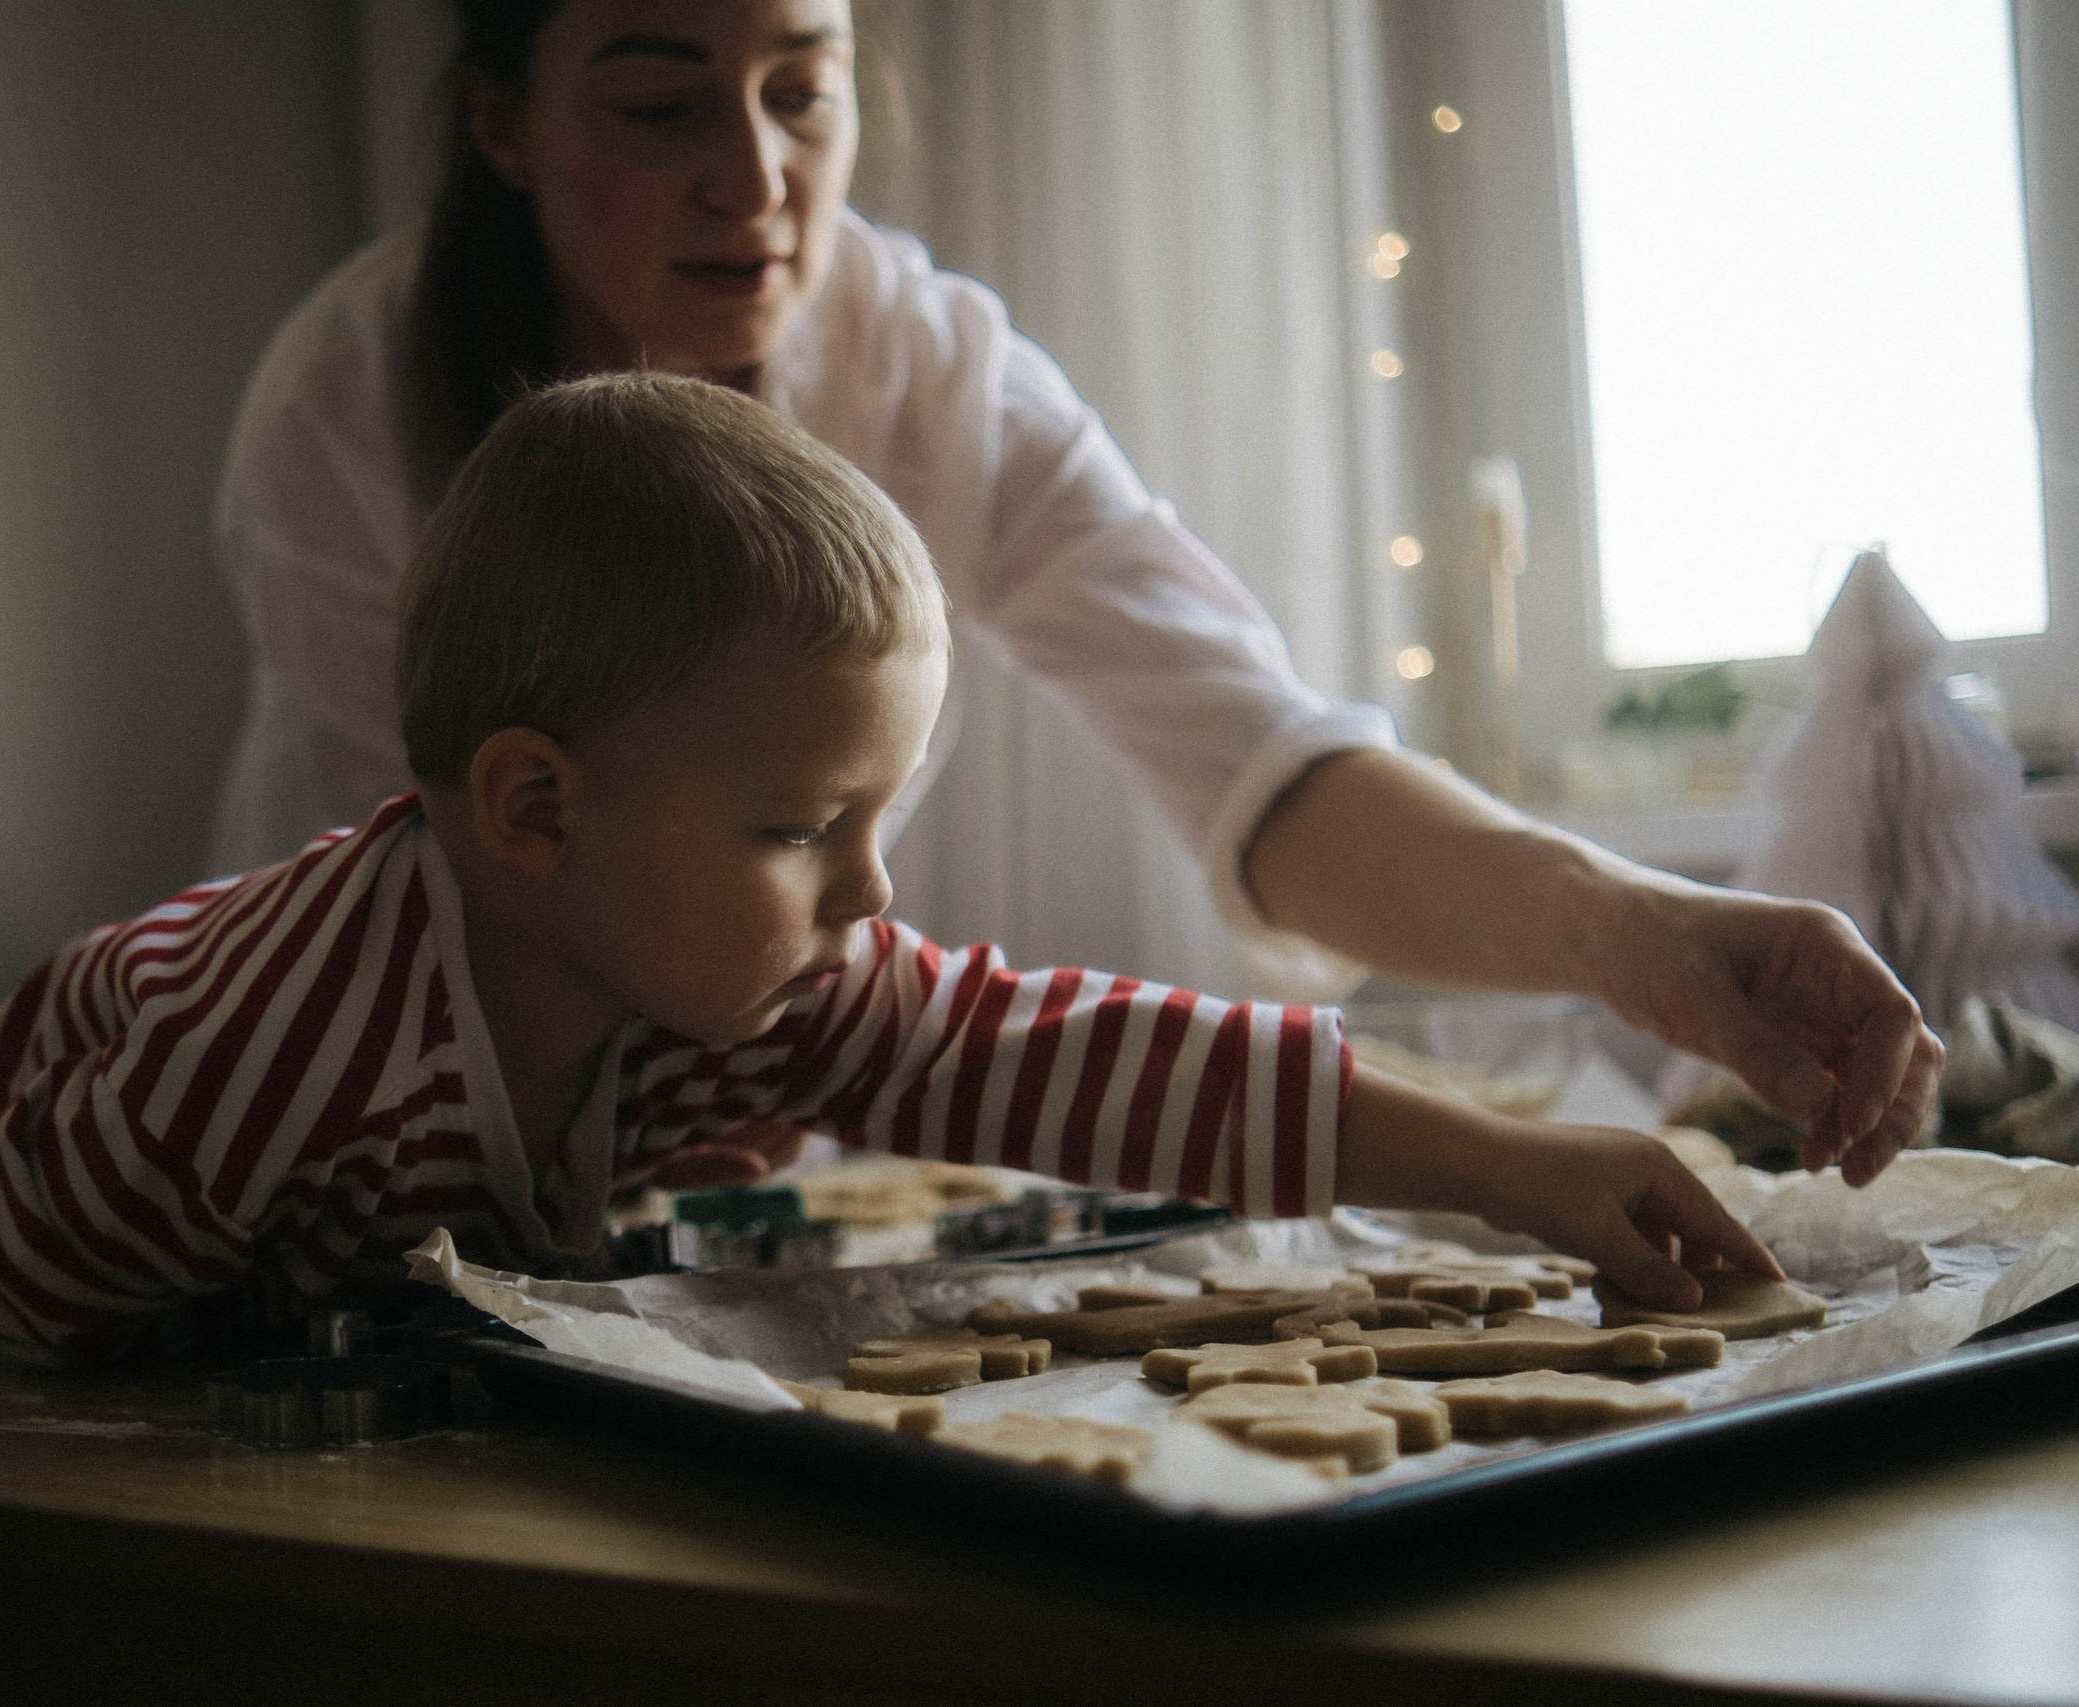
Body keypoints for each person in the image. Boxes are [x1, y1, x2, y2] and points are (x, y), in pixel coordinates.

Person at [208, 0, 1942, 1196]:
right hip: (375, 1151)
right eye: (662, 103)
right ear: (502, 119)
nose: (752, 176)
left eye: (802, 87)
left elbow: (1261, 768)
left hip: (747, 1154)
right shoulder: (352, 406)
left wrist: (1641, 935)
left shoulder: (930, 367)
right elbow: (420, 937)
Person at [0, 375, 1775, 1364]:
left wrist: (1514, 1164)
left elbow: (1097, 1055)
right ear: (535, 812)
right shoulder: (266, 1041)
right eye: (805, 827)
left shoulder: (747, 966)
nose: (871, 900)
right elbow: (6, 1315)